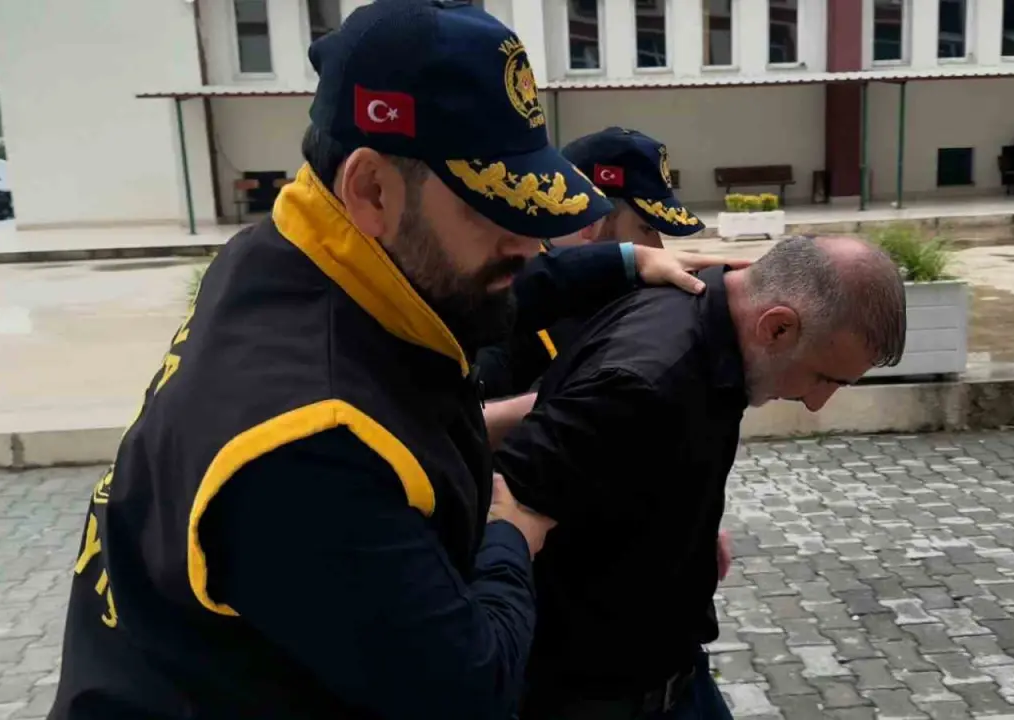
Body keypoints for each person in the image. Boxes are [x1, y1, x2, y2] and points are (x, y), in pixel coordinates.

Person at [48, 3, 739, 718]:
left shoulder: (283, 256)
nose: (528, 243)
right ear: (372, 188)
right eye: (494, 206)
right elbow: (471, 692)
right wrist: (512, 528)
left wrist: (625, 261)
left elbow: (481, 287)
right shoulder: (308, 448)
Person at [496, 236, 909, 719]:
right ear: (777, 327)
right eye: (824, 379)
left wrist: (678, 527)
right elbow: (504, 510)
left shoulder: (721, 325)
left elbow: (632, 462)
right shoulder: (645, 384)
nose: (817, 404)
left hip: (676, 671)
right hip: (602, 698)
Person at [476, 126, 706, 401]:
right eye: (646, 229)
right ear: (592, 220)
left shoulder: (611, 291)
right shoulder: (502, 305)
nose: (657, 249)